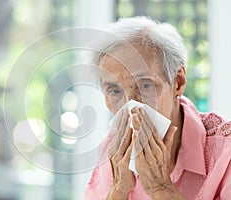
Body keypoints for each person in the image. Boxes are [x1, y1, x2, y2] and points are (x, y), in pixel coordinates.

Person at [84, 16, 231, 200]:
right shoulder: (112, 151)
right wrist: (118, 190)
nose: (132, 106)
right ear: (106, 100)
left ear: (178, 82)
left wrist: (161, 188)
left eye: (146, 86)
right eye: (115, 91)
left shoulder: (225, 151)